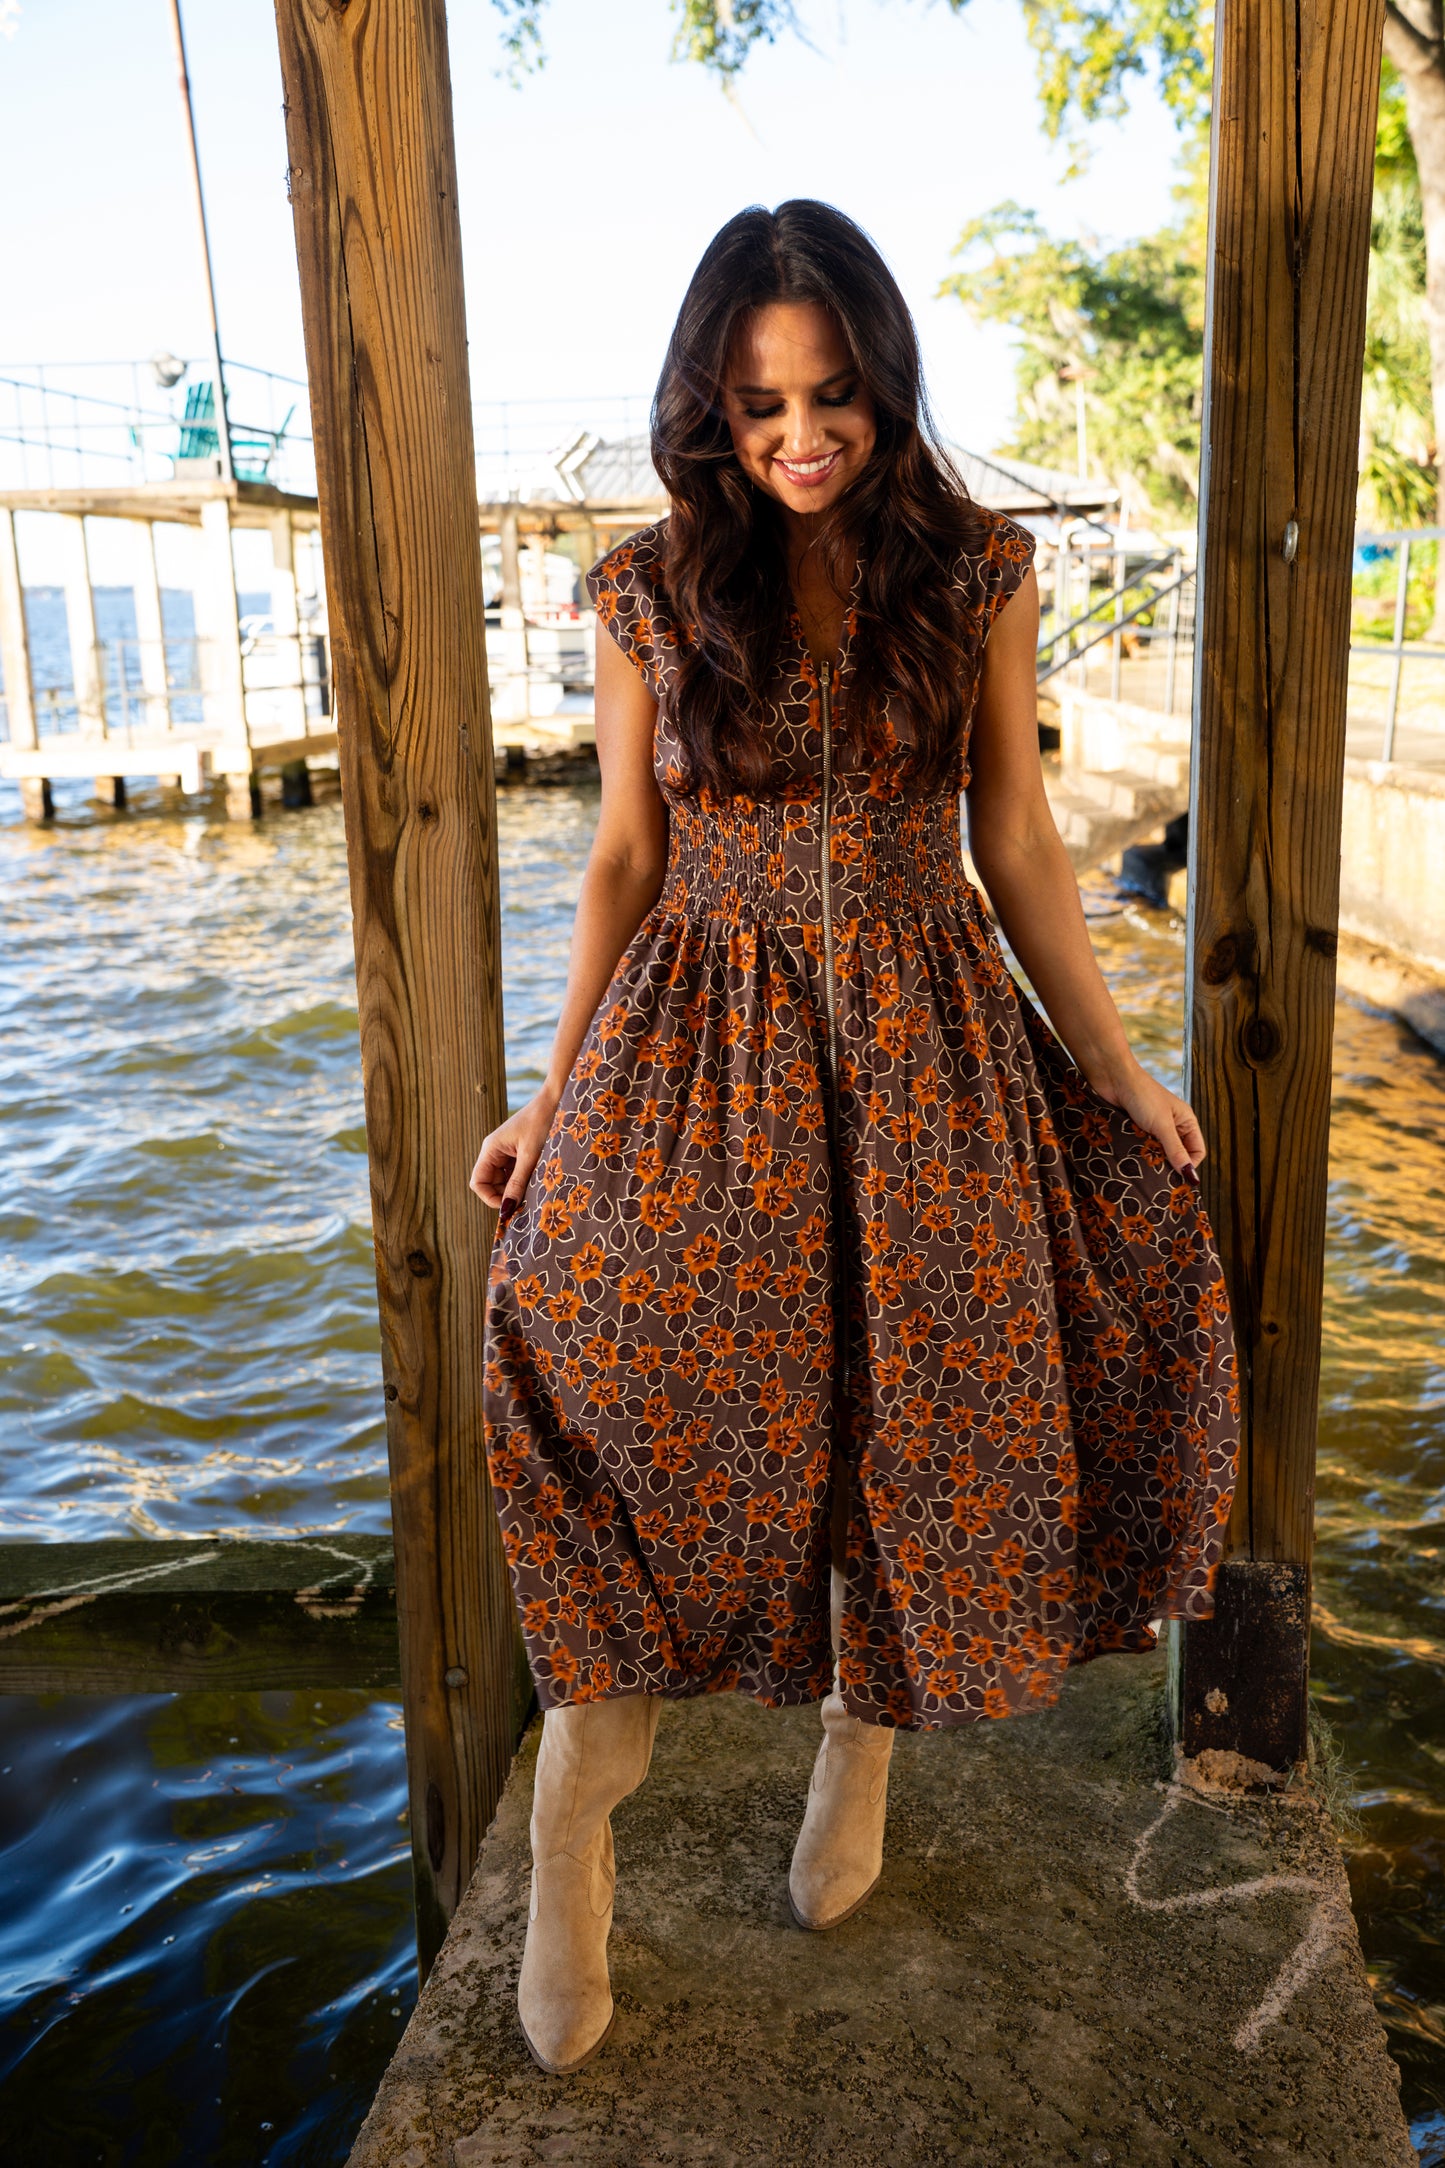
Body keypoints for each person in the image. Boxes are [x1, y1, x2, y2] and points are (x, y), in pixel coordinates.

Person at [471, 199, 1239, 2076]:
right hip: (696, 1053)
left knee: (922, 1407)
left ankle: (854, 1751)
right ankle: (576, 1832)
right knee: (651, 1419)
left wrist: (1120, 1070)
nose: (796, 436)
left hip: (927, 1047)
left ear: (883, 390)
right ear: (710, 412)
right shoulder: (647, 586)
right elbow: (625, 862)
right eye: (756, 406)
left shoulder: (976, 568)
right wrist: (553, 1094)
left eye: (828, 399)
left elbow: (1021, 841)